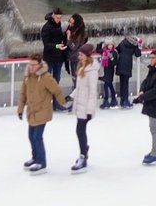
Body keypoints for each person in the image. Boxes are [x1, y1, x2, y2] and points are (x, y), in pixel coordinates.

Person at [17, 52, 67, 174]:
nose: (31, 67)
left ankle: (42, 162)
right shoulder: (28, 76)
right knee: (31, 136)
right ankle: (35, 157)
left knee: (37, 137)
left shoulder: (46, 77)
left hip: (43, 112)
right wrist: (20, 109)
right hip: (32, 112)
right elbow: (23, 94)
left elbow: (57, 90)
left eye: (34, 65)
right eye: (30, 64)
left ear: (39, 65)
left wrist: (64, 103)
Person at [70, 43, 98, 173]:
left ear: (87, 56)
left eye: (81, 54)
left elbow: (93, 91)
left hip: (86, 106)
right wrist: (71, 96)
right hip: (80, 104)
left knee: (80, 130)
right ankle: (84, 151)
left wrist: (90, 110)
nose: (79, 56)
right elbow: (79, 86)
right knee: (80, 130)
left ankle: (83, 156)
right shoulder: (82, 67)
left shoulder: (92, 71)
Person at [40, 8, 67, 86]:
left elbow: (59, 38)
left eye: (60, 18)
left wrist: (65, 37)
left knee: (57, 79)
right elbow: (46, 44)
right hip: (49, 58)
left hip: (58, 57)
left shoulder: (58, 25)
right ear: (53, 16)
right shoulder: (46, 27)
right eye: (57, 18)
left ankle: (55, 98)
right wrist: (57, 46)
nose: (59, 20)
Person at [116, 33, 142, 108]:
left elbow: (117, 49)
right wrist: (138, 46)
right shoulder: (134, 44)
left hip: (120, 63)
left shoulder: (123, 41)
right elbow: (138, 54)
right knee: (125, 83)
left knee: (122, 83)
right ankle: (125, 101)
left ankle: (122, 100)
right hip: (127, 64)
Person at [64, 13, 87, 94]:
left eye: (71, 23)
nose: (69, 24)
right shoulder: (74, 30)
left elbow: (73, 46)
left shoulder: (79, 34)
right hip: (72, 58)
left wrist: (68, 38)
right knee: (75, 78)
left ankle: (77, 96)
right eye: (69, 22)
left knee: (76, 78)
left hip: (76, 59)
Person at [100, 39, 117, 108]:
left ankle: (106, 100)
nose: (110, 46)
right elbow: (98, 49)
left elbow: (114, 62)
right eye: (108, 45)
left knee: (106, 85)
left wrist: (111, 58)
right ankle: (113, 99)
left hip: (110, 71)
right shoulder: (104, 52)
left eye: (111, 45)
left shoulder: (114, 52)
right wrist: (102, 43)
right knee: (110, 85)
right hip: (106, 71)